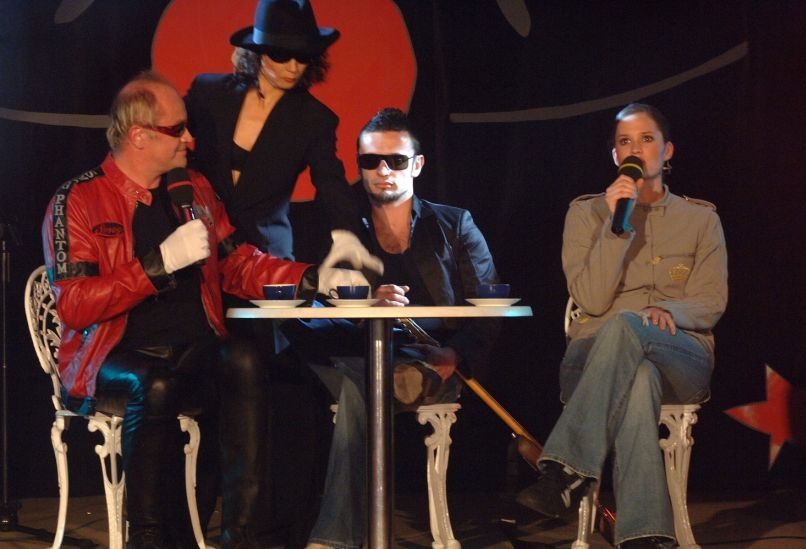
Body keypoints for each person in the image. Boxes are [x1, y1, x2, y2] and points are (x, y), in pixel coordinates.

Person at [41, 70, 373, 549]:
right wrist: (157, 266)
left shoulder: (193, 190)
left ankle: (243, 535)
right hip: (110, 355)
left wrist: (314, 278)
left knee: (245, 359)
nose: (190, 139)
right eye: (177, 130)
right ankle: (148, 537)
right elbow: (75, 306)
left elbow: (239, 264)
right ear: (139, 135)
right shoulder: (79, 198)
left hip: (191, 346)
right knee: (154, 384)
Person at [287, 107, 502, 549]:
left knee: (359, 388)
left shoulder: (454, 223)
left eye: (396, 160)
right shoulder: (338, 226)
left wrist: (457, 353)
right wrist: (363, 303)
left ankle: (334, 540)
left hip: (427, 358)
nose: (383, 171)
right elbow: (310, 299)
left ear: (417, 165)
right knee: (352, 378)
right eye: (371, 161)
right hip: (348, 353)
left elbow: (489, 304)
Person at [515, 103, 728, 549]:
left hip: (678, 352)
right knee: (638, 378)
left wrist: (671, 312)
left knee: (631, 330)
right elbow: (592, 300)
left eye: (647, 139)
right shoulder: (586, 214)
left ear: (667, 151)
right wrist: (616, 226)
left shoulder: (700, 218)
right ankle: (644, 537)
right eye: (625, 142)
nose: (636, 149)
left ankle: (565, 471)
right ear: (615, 157)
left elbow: (711, 302)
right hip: (594, 358)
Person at [185, 0, 360, 262]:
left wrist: (346, 234)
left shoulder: (315, 119)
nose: (293, 67)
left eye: (302, 56)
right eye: (281, 55)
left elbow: (331, 184)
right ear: (259, 52)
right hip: (202, 249)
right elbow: (166, 139)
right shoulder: (209, 92)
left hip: (266, 256)